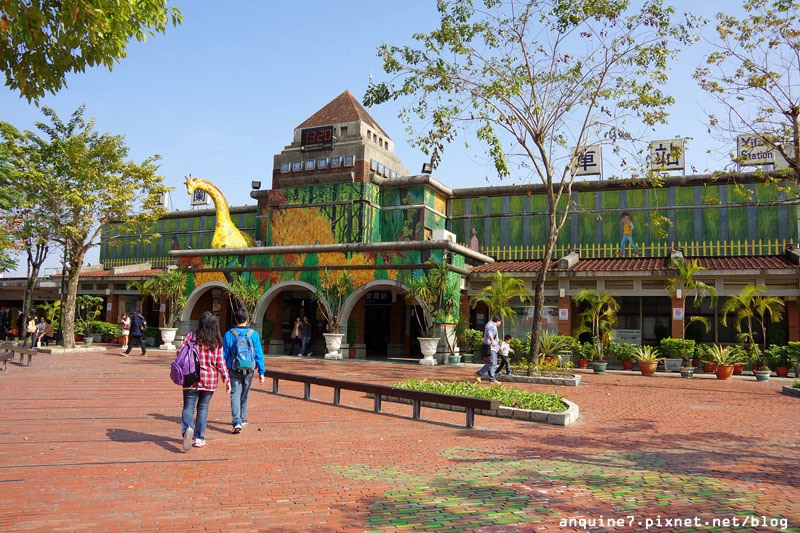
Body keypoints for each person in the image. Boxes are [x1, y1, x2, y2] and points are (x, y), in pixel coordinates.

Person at [181, 311, 231, 451]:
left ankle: (187, 430)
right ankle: (199, 438)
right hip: (209, 380)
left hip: (190, 378)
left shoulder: (191, 337)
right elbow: (220, 362)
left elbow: (180, 353)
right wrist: (226, 380)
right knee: (203, 408)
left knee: (188, 407)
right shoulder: (217, 342)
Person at [223, 307, 265, 434]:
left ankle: (236, 421)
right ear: (248, 319)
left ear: (235, 319)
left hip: (233, 368)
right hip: (249, 369)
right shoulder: (254, 334)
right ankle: (243, 418)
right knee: (245, 393)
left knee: (235, 394)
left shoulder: (229, 334)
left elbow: (224, 354)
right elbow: (259, 354)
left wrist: (224, 372)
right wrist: (261, 372)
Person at [476, 316, 501, 383]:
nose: (500, 324)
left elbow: (496, 339)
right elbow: (490, 334)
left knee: (494, 364)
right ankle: (479, 373)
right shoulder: (491, 325)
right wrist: (492, 341)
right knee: (491, 363)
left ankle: (492, 379)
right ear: (497, 321)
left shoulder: (492, 326)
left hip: (494, 347)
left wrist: (499, 347)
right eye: (500, 322)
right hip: (491, 347)